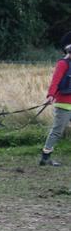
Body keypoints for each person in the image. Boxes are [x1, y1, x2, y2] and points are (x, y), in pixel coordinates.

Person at [40, 34, 71, 166]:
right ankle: (45, 157)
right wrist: (50, 95)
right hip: (64, 103)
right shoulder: (62, 64)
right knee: (57, 131)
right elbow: (55, 81)